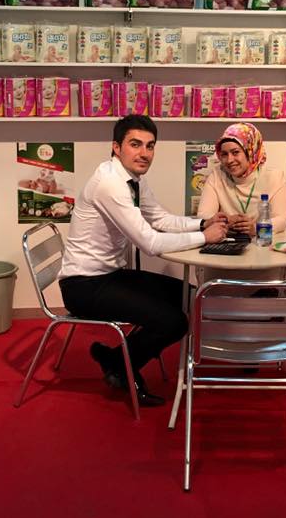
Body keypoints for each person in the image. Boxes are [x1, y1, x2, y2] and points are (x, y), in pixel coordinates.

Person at [59, 115, 228, 406]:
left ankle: (114, 357)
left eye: (150, 146)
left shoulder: (132, 180)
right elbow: (150, 243)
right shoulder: (110, 184)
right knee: (174, 321)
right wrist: (205, 237)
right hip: (83, 285)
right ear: (116, 147)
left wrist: (203, 223)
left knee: (188, 296)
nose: (144, 153)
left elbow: (160, 219)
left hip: (109, 275)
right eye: (135, 144)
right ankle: (120, 365)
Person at [197, 122, 286, 236]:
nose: (229, 160)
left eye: (235, 152)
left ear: (251, 151)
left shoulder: (274, 177)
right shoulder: (217, 175)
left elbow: (282, 219)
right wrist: (227, 221)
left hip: (264, 241)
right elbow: (204, 216)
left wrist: (255, 228)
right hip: (228, 242)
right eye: (224, 154)